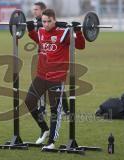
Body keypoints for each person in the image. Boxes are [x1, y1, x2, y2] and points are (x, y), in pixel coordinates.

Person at [25, 9, 85, 149]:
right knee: (29, 102)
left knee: (54, 111)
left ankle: (51, 142)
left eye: (48, 21)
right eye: (43, 21)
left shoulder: (63, 34)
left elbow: (81, 46)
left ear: (54, 20)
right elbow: (37, 38)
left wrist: (78, 31)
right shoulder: (40, 31)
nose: (45, 24)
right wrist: (30, 30)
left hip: (56, 78)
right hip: (40, 76)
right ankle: (44, 128)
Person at [31, 2, 70, 116]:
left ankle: (64, 109)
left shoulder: (47, 21)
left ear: (43, 10)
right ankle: (43, 108)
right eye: (33, 10)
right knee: (43, 85)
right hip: (43, 57)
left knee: (56, 87)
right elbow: (37, 38)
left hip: (55, 58)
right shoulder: (37, 23)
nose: (34, 12)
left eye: (36, 9)